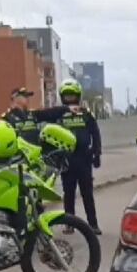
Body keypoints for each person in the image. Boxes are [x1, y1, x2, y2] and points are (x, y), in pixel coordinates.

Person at [36, 80, 102, 234]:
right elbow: (39, 116)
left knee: (87, 193)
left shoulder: (86, 114)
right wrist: (65, 109)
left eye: (72, 96)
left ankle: (93, 224)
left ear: (78, 96)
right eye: (67, 96)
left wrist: (97, 153)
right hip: (66, 160)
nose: (70, 99)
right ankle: (69, 224)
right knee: (69, 193)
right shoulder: (59, 114)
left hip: (84, 159)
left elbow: (95, 134)